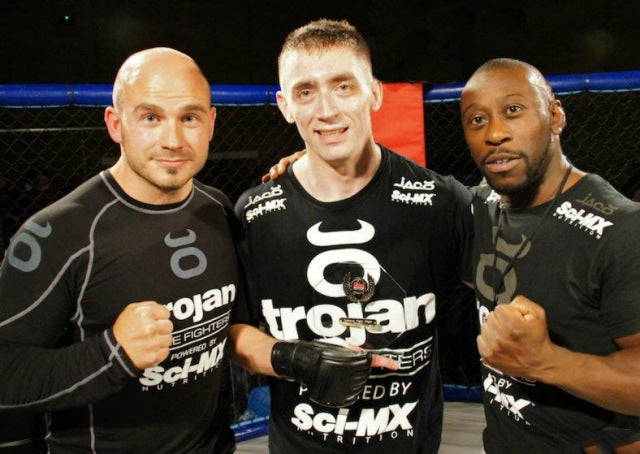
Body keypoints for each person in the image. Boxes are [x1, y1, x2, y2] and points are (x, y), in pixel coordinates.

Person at [229, 19, 473, 453]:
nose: (327, 110)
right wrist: (297, 360)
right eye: (306, 92)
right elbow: (233, 334)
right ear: (285, 105)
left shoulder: (440, 201)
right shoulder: (255, 214)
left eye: (343, 86)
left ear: (374, 93)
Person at [0, 47, 239, 453]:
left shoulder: (218, 208)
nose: (173, 140)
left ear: (211, 123)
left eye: (189, 118)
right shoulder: (58, 233)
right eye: (150, 118)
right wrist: (111, 354)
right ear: (115, 124)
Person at [463, 58, 640, 452]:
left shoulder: (622, 230)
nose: (494, 133)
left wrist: (545, 361)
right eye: (477, 120)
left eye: (513, 110)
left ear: (555, 116)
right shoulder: (478, 207)